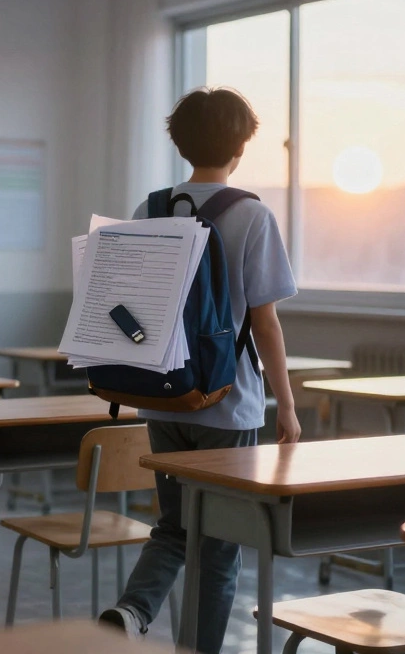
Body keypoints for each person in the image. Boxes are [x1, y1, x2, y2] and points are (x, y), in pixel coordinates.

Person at [98, 87, 299, 654]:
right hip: (228, 401)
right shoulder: (251, 215)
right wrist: (284, 404)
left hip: (162, 396)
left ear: (180, 143)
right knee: (219, 550)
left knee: (173, 527)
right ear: (240, 145)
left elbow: (126, 309)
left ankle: (133, 610)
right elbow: (266, 324)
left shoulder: (151, 208)